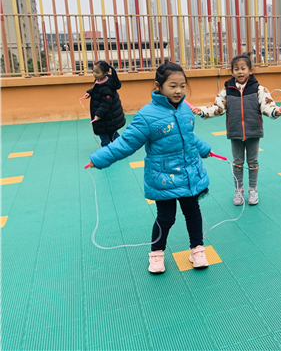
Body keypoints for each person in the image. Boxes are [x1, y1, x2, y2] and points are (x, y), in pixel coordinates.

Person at [87, 62, 212, 274]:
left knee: (193, 213)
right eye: (173, 86)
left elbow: (189, 137)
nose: (179, 90)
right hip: (163, 177)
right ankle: (156, 253)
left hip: (189, 174)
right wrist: (99, 158)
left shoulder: (185, 109)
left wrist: (205, 149)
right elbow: (126, 143)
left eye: (182, 86)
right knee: (166, 217)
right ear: (158, 86)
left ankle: (197, 250)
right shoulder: (147, 115)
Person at [193, 54, 281, 206]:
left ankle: (253, 189)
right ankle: (238, 190)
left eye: (243, 68)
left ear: (250, 71)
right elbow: (217, 108)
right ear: (232, 72)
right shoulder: (226, 91)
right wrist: (202, 111)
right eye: (236, 69)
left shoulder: (259, 89)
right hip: (235, 132)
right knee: (237, 162)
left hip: (253, 131)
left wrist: (274, 112)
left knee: (253, 162)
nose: (240, 72)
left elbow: (267, 105)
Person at [82, 61, 126, 146]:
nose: (94, 74)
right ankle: (120, 146)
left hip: (108, 117)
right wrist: (90, 92)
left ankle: (110, 150)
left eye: (97, 72)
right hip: (106, 117)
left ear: (105, 73)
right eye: (93, 71)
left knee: (106, 136)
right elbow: (97, 89)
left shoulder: (106, 88)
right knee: (111, 134)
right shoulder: (100, 80)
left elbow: (106, 104)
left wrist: (98, 115)